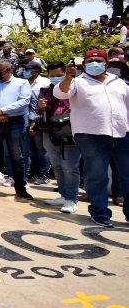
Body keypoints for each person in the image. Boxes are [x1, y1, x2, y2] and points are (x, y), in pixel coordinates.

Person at [54, 49, 129, 227]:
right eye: (90, 61)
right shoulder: (77, 82)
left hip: (121, 134)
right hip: (90, 135)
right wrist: (68, 77)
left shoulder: (119, 83)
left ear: (106, 63)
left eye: (99, 60)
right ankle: (100, 213)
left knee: (127, 175)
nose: (95, 64)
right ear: (84, 64)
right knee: (97, 176)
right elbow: (60, 93)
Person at [0, 61, 33, 199]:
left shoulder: (22, 83)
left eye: (0, 72)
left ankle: (20, 188)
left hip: (15, 122)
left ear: (9, 70)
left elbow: (24, 102)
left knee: (16, 156)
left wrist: (3, 111)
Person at [37, 62, 80, 214]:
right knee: (57, 166)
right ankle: (63, 195)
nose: (55, 78)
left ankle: (72, 199)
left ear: (66, 74)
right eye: (52, 76)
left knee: (70, 167)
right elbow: (39, 111)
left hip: (70, 131)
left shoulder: (76, 88)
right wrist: (40, 106)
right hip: (50, 131)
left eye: (59, 75)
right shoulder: (45, 91)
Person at [23, 62, 51, 185]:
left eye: (28, 69)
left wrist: (35, 120)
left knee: (41, 148)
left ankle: (44, 175)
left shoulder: (45, 82)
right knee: (30, 149)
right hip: (25, 119)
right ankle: (33, 172)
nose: (25, 71)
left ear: (36, 71)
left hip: (39, 119)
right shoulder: (23, 82)